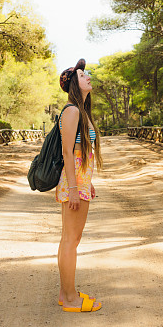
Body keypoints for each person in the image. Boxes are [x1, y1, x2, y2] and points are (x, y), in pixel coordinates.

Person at [56, 58, 103, 313]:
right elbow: (66, 152)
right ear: (74, 83)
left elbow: (81, 152)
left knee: (70, 240)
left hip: (80, 182)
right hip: (73, 184)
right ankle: (72, 299)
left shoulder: (81, 111)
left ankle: (66, 293)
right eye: (83, 74)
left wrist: (88, 182)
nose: (88, 76)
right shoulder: (72, 110)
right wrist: (74, 188)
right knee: (70, 241)